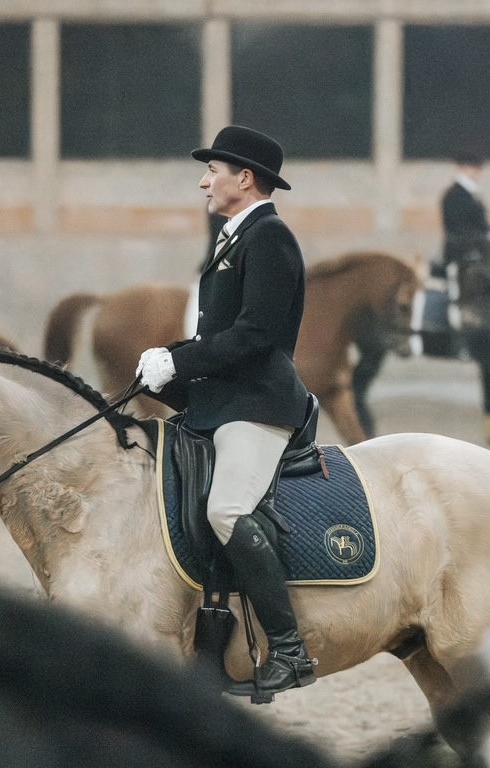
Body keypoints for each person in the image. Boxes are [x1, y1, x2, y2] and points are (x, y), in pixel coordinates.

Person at [136, 125, 316, 697]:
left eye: (212, 172)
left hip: (256, 404)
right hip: (224, 401)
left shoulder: (270, 238)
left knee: (228, 511)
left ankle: (289, 649)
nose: (203, 182)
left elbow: (256, 335)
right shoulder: (235, 238)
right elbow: (220, 335)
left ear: (245, 178)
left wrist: (180, 362)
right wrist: (168, 359)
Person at [441, 153, 490, 266]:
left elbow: (480, 221)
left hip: (476, 241)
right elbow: (459, 227)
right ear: (465, 168)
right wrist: (486, 235)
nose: (478, 172)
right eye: (475, 168)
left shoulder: (471, 194)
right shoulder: (454, 195)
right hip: (462, 247)